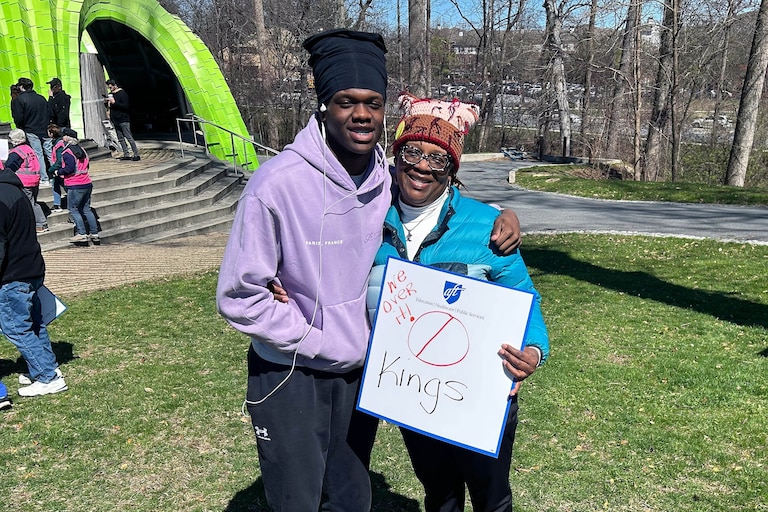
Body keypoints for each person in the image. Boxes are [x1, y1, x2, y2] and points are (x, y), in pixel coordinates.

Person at [217, 29, 521, 512]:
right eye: (345, 101)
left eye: (373, 103)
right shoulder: (276, 185)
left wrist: (500, 213)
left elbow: (441, 201)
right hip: (292, 369)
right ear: (323, 105)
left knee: (351, 498)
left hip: (361, 375)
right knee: (296, 500)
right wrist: (316, 336)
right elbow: (239, 296)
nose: (361, 113)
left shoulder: (383, 179)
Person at [366, 93, 550, 512]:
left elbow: (525, 299)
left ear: (452, 168)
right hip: (412, 391)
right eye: (412, 151)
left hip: (479, 394)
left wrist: (533, 352)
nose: (421, 166)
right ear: (395, 155)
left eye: (438, 158)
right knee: (440, 494)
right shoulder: (369, 218)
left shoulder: (489, 227)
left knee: (490, 498)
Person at [0, 166, 68, 397]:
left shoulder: (2, 196)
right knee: (34, 323)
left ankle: (47, 376)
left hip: (13, 275)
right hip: (30, 268)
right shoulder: (15, 190)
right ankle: (46, 368)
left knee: (17, 328)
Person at [50, 129, 100, 244]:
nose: (62, 138)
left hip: (74, 184)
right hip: (86, 182)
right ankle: (95, 233)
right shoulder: (82, 150)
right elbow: (87, 165)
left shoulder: (68, 152)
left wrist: (58, 172)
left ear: (67, 138)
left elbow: (69, 169)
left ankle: (82, 234)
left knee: (73, 209)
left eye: (64, 136)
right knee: (87, 209)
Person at [4, 129, 49, 233]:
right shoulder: (28, 148)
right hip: (34, 179)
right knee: (33, 203)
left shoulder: (17, 152)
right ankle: (41, 223)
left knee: (29, 204)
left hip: (25, 181)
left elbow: (9, 166)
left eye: (10, 139)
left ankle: (40, 224)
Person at [11, 78, 50, 185]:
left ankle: (44, 178)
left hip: (31, 129)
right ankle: (56, 175)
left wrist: (21, 128)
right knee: (50, 153)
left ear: (22, 87)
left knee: (38, 154)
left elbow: (19, 117)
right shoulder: (41, 98)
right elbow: (48, 113)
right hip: (45, 129)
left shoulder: (20, 99)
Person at [105, 79, 140, 161]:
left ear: (115, 85)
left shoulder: (122, 94)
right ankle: (126, 154)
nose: (110, 89)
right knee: (120, 139)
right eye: (109, 87)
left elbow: (125, 106)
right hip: (115, 120)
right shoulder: (111, 94)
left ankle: (136, 154)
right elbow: (111, 107)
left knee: (129, 137)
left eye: (111, 87)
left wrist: (114, 102)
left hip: (123, 119)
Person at [46, 124, 71, 214]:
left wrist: (51, 169)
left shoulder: (59, 144)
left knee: (65, 186)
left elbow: (60, 160)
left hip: (61, 170)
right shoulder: (57, 142)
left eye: (48, 132)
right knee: (56, 185)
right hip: (59, 170)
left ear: (52, 133)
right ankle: (57, 204)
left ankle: (67, 203)